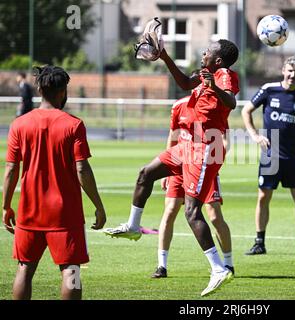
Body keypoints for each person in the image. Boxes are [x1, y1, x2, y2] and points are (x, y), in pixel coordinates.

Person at [104, 39, 239, 297]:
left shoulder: (225, 75)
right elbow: (184, 84)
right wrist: (164, 56)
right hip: (186, 147)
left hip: (205, 151)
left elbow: (231, 102)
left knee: (191, 212)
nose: (203, 52)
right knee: (146, 173)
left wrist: (214, 86)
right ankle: (133, 226)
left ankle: (219, 269)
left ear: (218, 60)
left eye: (207, 51)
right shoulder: (205, 75)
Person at [2, 65, 107, 300]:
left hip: (29, 212)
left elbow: (11, 169)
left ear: (39, 89)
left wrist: (6, 205)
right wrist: (98, 206)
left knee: (24, 269)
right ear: (63, 91)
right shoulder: (73, 125)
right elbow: (82, 168)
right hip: (65, 214)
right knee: (72, 271)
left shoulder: (19, 124)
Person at [241, 55, 295, 256]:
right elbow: (246, 110)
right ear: (283, 71)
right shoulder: (269, 90)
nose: (293, 75)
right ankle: (259, 242)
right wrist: (255, 135)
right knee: (263, 197)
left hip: (293, 157)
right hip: (270, 155)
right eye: (290, 71)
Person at [152, 96, 234, 278]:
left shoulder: (214, 107)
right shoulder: (179, 106)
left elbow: (226, 140)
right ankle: (161, 266)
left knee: (214, 216)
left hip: (203, 166)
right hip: (180, 165)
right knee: (170, 210)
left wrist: (214, 160)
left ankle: (228, 264)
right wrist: (167, 169)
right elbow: (172, 136)